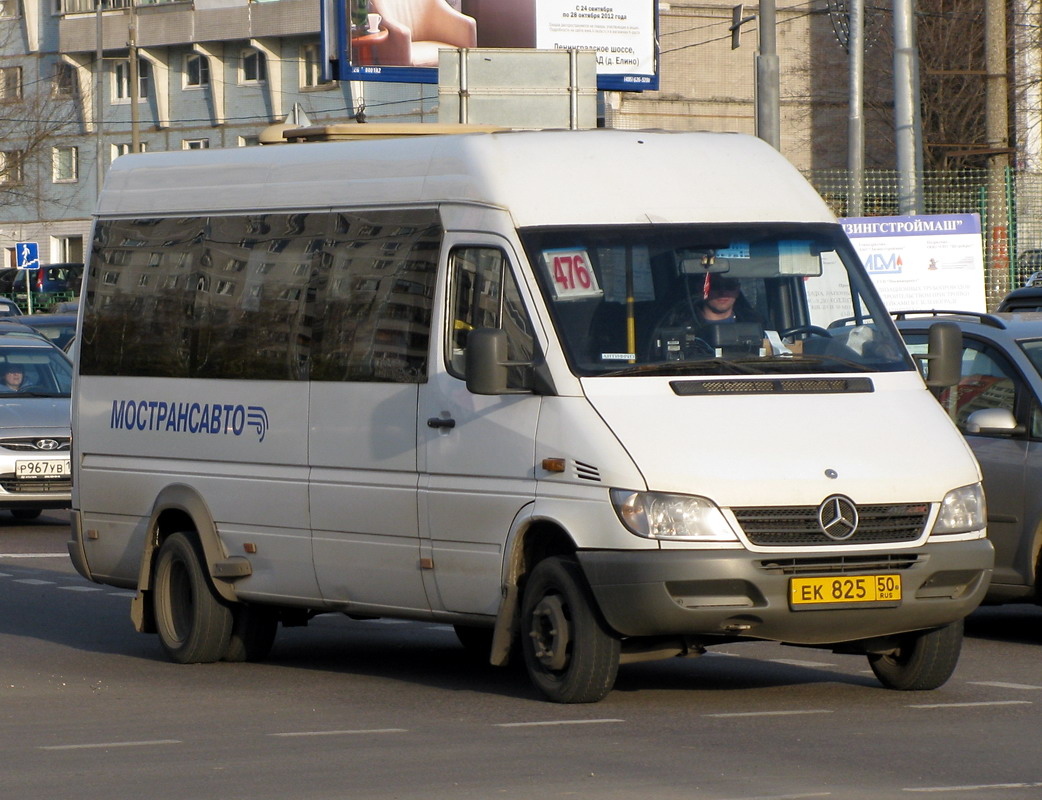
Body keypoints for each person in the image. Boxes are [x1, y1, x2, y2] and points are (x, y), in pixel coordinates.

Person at [649, 274, 763, 359]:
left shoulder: (757, 324)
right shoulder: (678, 327)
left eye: (730, 286)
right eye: (715, 286)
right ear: (702, 289)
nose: (723, 292)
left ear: (738, 290)